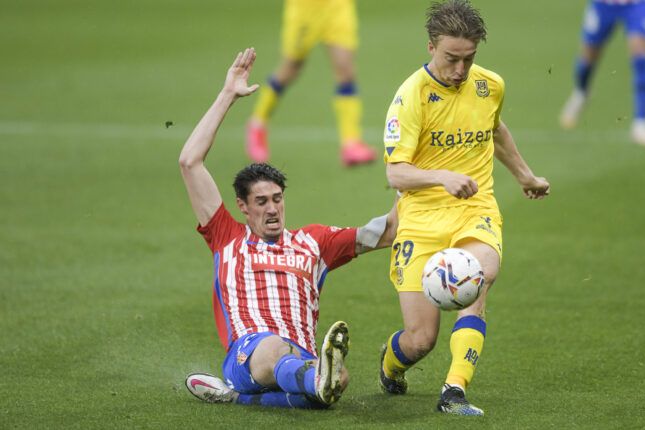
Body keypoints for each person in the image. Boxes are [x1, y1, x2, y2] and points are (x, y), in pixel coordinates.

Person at [179, 48, 396, 409]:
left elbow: (387, 232)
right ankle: (309, 380)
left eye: (277, 199)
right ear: (243, 207)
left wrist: (413, 178)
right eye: (261, 202)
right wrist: (228, 95)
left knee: (338, 381)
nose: (272, 208)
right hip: (251, 351)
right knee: (276, 352)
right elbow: (190, 162)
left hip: (300, 354)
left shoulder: (315, 242)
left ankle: (245, 398)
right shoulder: (226, 237)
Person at [378, 0, 550, 417]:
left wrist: (524, 176)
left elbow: (495, 129)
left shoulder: (490, 85)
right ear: (431, 46)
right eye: (451, 59)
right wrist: (442, 176)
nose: (460, 69)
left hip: (475, 210)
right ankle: (390, 364)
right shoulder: (411, 97)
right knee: (420, 339)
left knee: (477, 277)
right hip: (420, 218)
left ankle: (454, 390)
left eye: (468, 59)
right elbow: (396, 175)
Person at [245, 0, 377, 166]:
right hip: (305, 9)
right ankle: (258, 124)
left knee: (346, 71)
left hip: (337, 7)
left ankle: (350, 143)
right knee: (290, 68)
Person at [559, 0, 645, 146]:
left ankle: (641, 121)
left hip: (637, 4)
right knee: (588, 57)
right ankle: (581, 92)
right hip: (604, 4)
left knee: (640, 57)